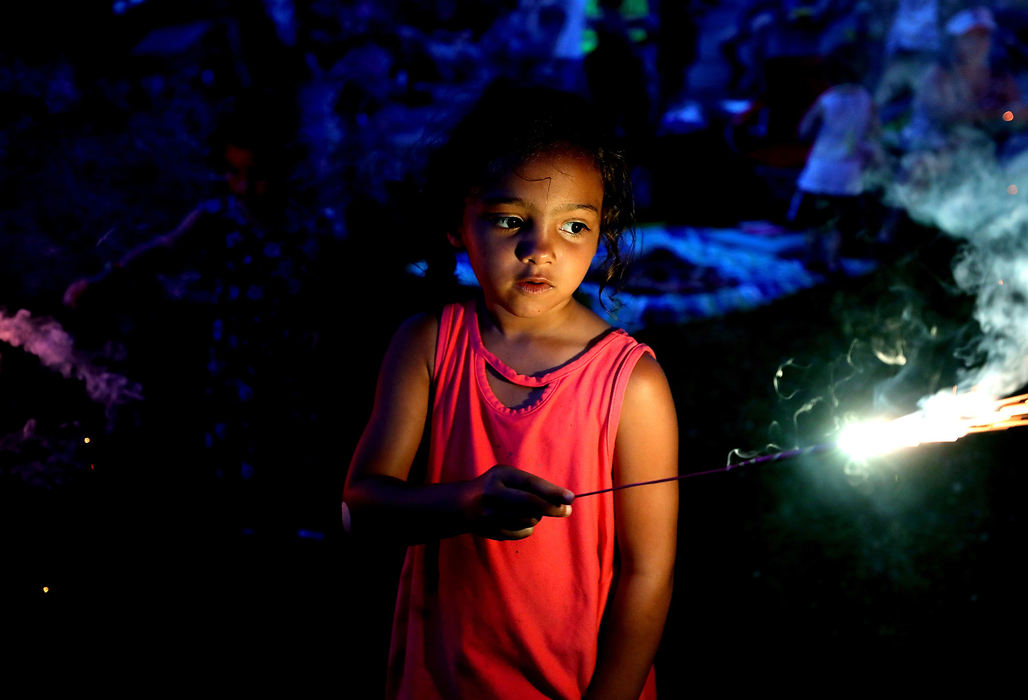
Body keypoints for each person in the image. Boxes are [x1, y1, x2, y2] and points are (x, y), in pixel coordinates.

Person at [342, 82, 679, 700]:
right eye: (510, 221)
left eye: (574, 226)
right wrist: (464, 503)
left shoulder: (631, 385)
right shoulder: (428, 346)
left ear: (602, 232)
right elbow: (362, 506)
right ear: (455, 222)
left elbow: (648, 574)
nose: (540, 250)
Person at [788, 49, 881, 274]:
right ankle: (832, 261)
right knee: (838, 222)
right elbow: (874, 130)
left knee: (814, 220)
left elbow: (804, 130)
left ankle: (811, 257)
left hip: (820, 171)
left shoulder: (827, 100)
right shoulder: (866, 99)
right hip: (848, 174)